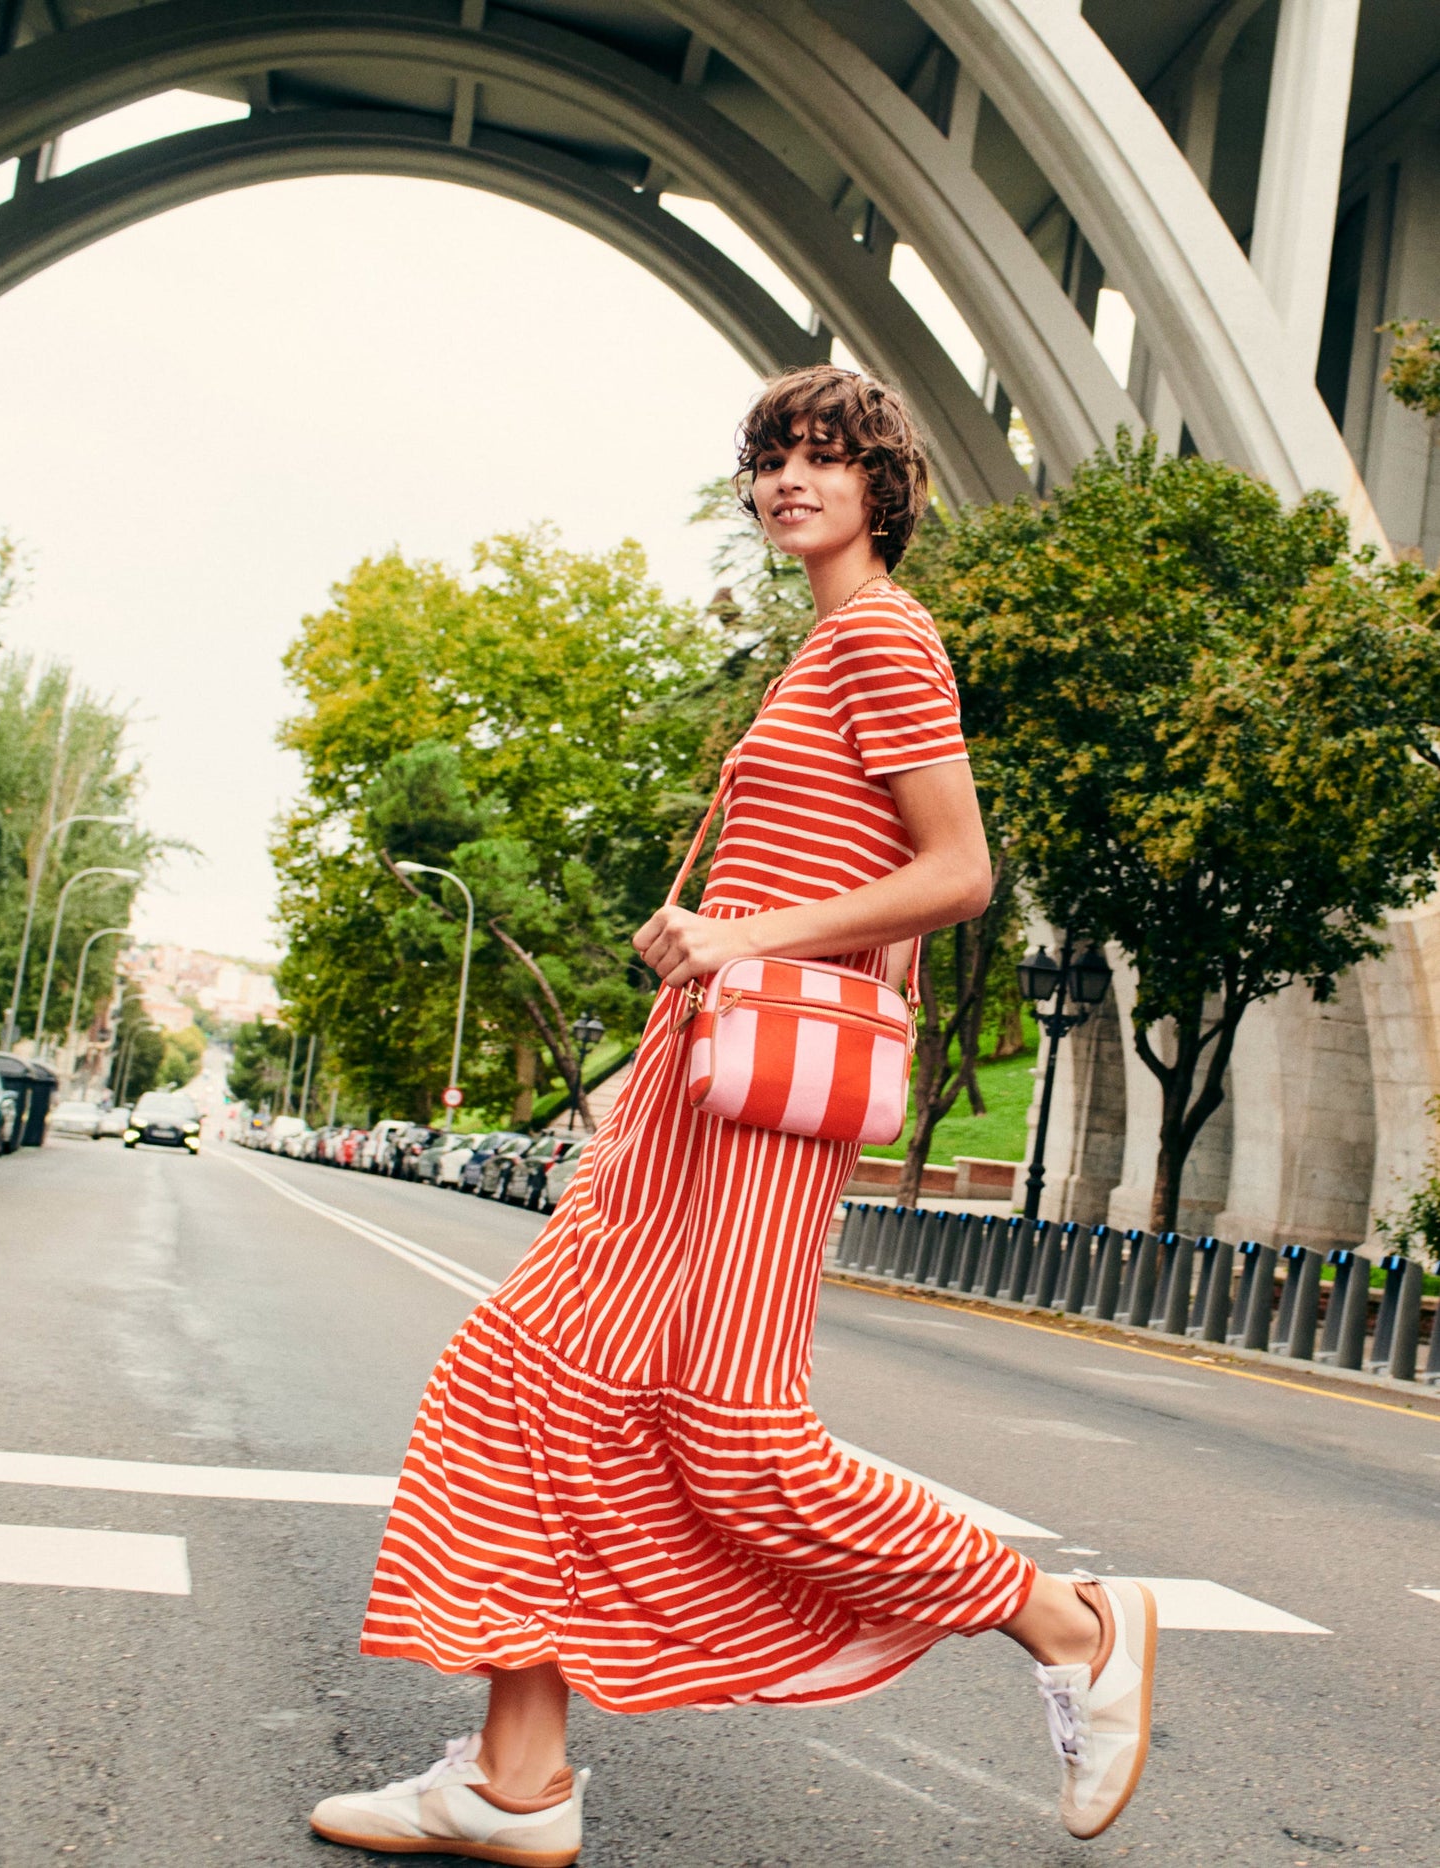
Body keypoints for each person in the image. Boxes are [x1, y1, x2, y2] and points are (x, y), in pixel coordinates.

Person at [310, 365, 1157, 1862]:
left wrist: (746, 942)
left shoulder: (886, 635)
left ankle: (1067, 1622)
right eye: (770, 457)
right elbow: (852, 890)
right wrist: (703, 943)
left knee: (735, 1435)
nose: (788, 479)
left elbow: (958, 874)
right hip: (702, 1087)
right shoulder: (818, 646)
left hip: (766, 1109)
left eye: (824, 456)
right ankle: (515, 1784)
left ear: (879, 487)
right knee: (524, 1377)